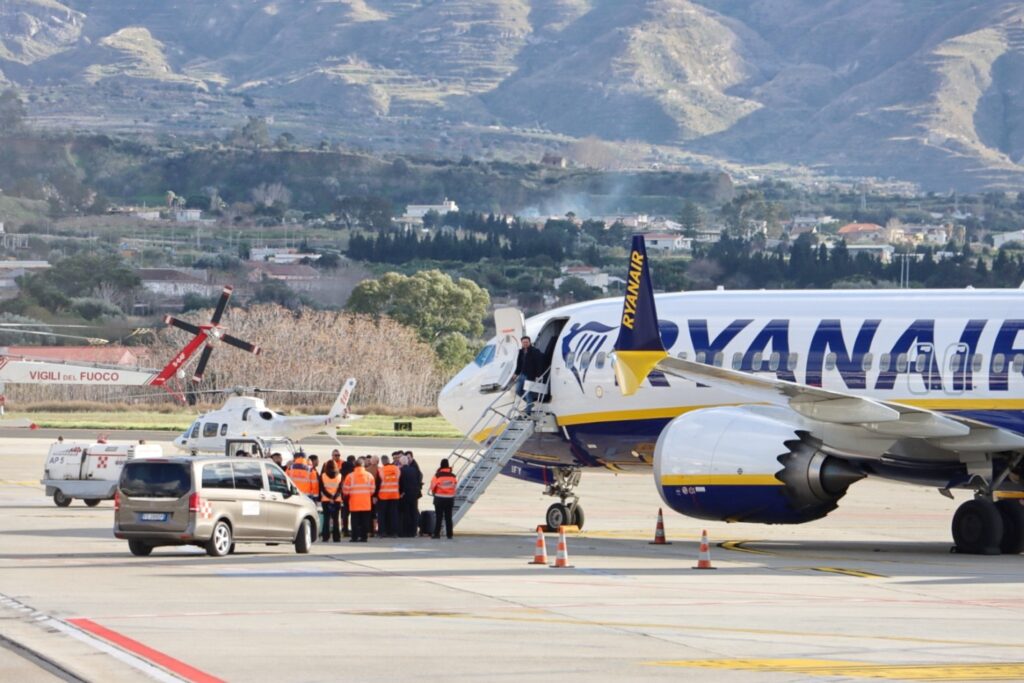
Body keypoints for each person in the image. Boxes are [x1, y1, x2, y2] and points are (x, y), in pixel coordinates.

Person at [343, 457, 375, 542]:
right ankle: (364, 537)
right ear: (363, 465)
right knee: (365, 521)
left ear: (355, 465)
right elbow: (372, 490)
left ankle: (354, 537)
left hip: (354, 502)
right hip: (366, 502)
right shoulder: (369, 476)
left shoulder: (350, 476)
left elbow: (345, 491)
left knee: (355, 521)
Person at [514, 335, 546, 415]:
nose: (525, 343)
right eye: (523, 342)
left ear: (529, 342)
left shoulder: (535, 351)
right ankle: (530, 403)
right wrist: (516, 373)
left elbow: (539, 364)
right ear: (521, 343)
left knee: (527, 393)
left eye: (526, 342)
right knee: (518, 390)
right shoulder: (521, 352)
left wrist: (538, 375)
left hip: (530, 375)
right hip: (522, 374)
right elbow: (519, 364)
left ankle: (528, 412)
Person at [430, 459, 458, 539]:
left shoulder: (437, 475)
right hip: (449, 499)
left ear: (441, 465)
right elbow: (455, 487)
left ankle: (436, 534)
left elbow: (432, 486)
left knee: (439, 517)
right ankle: (450, 534)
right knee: (448, 517)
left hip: (439, 498)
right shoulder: (453, 476)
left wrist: (435, 493)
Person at [398, 452, 422, 537]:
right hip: (414, 495)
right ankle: (413, 531)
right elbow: (418, 481)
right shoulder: (414, 470)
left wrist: (400, 493)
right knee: (413, 512)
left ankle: (406, 532)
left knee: (406, 513)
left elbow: (400, 484)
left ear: (401, 463)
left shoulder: (401, 471)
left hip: (405, 495)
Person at [377, 455, 401, 538]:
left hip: (384, 495)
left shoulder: (381, 470)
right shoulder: (396, 469)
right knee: (394, 514)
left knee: (382, 515)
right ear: (389, 460)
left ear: (382, 462)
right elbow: (399, 480)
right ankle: (394, 532)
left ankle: (383, 532)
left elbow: (378, 483)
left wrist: (376, 495)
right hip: (394, 494)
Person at [320, 461, 343, 542]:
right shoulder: (340, 476)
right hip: (336, 500)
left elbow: (322, 489)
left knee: (326, 519)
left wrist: (329, 497)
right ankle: (336, 537)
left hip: (326, 500)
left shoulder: (323, 476)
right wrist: (334, 497)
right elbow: (340, 489)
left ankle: (325, 536)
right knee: (336, 519)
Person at [340, 455, 356, 537]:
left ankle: (345, 530)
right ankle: (353, 530)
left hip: (343, 496)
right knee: (353, 514)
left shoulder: (341, 473)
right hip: (352, 495)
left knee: (345, 514)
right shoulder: (352, 473)